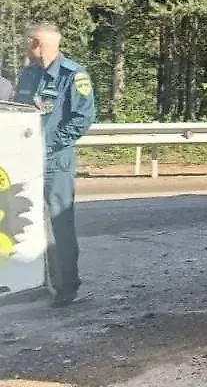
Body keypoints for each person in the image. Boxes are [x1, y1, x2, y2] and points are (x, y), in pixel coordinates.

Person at [14, 22, 96, 308]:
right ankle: (31, 282)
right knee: (23, 220)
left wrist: (46, 146)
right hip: (23, 162)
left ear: (37, 44)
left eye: (27, 42)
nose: (25, 47)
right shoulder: (29, 74)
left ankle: (66, 287)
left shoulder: (73, 75)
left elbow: (82, 119)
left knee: (59, 224)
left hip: (54, 162)